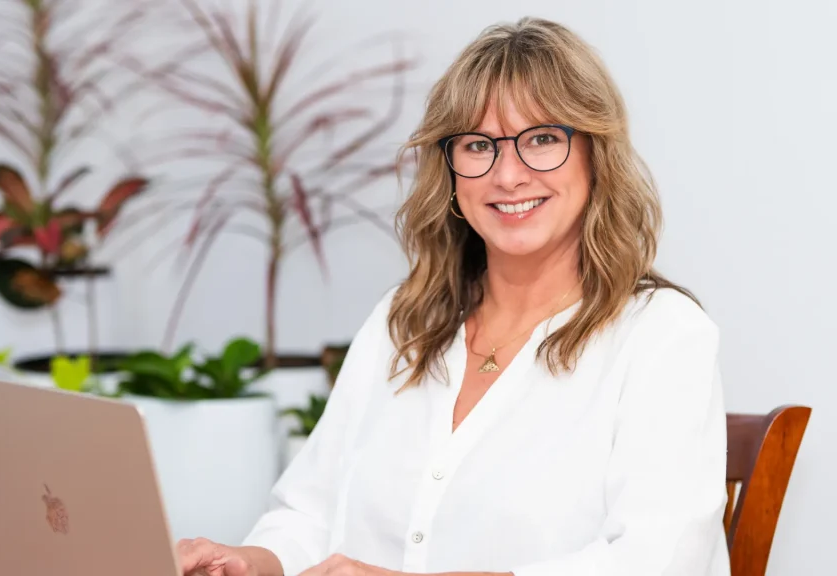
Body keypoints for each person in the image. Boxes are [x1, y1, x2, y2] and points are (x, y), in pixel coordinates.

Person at [177, 16, 729, 576]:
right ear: (451, 174)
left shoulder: (663, 336)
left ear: (595, 155)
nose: (508, 175)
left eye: (541, 139)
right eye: (478, 144)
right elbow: (310, 513)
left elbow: (659, 560)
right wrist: (245, 562)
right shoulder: (402, 322)